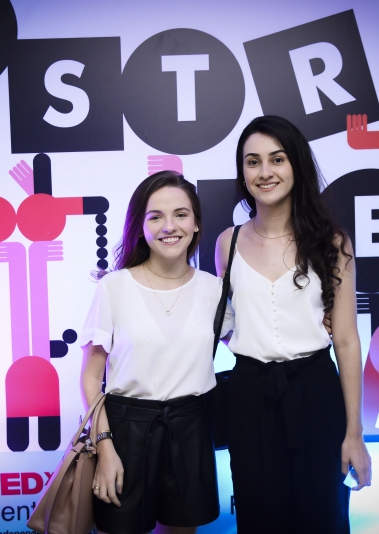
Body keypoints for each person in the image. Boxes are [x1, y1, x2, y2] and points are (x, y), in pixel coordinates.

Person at [215, 115, 371, 533]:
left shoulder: (332, 242)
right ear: (242, 172)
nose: (264, 172)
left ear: (296, 165)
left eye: (277, 159)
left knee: (323, 517)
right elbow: (227, 322)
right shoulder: (227, 242)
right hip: (249, 396)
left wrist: (354, 433)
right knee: (259, 519)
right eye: (253, 162)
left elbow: (346, 340)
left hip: (316, 392)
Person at [80, 171, 227, 534]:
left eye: (181, 214)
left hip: (191, 429)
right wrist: (105, 448)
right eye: (155, 216)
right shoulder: (114, 287)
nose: (169, 226)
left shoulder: (214, 290)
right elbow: (90, 378)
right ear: (140, 227)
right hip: (124, 432)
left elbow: (257, 343)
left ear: (196, 223)